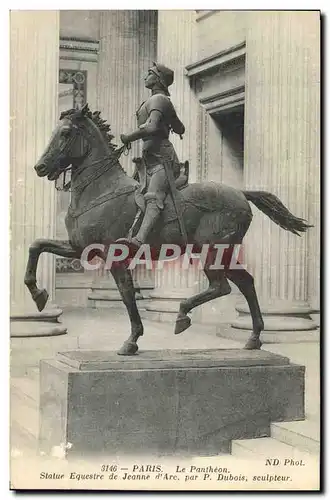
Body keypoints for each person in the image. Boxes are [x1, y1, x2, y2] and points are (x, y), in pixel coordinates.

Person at [118, 62, 185, 248]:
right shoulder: (153, 101)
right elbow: (179, 127)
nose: (145, 77)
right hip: (149, 160)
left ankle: (139, 241)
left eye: (149, 73)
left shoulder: (160, 100)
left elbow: (153, 126)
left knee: (153, 197)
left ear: (158, 79)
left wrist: (128, 137)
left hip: (162, 160)